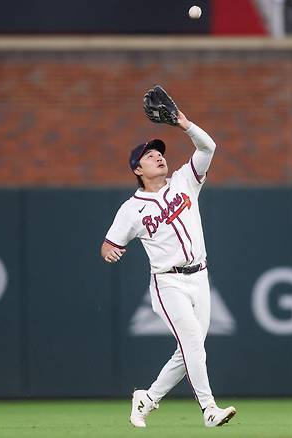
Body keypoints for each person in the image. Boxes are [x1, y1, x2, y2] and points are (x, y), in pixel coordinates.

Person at [100, 109, 236, 428]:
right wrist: (109, 252)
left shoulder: (184, 181)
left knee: (189, 349)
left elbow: (208, 148)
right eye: (150, 155)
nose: (159, 158)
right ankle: (209, 409)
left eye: (160, 153)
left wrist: (183, 124)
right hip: (168, 283)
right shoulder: (132, 209)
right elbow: (109, 244)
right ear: (137, 168)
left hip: (200, 276)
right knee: (191, 341)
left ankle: (147, 399)